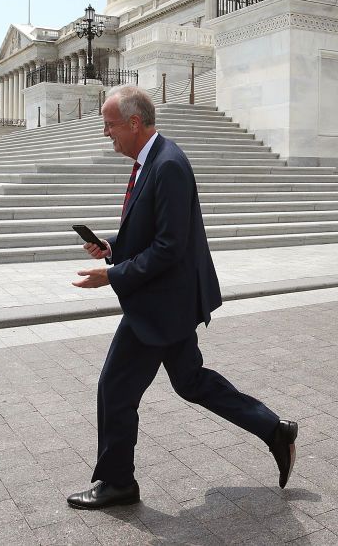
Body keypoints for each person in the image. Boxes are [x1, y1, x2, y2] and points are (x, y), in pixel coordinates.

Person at [67, 86, 298, 510]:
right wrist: (113, 247)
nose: (105, 132)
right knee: (191, 382)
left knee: (114, 389)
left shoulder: (168, 164)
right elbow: (154, 233)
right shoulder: (151, 161)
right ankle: (274, 430)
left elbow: (170, 246)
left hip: (159, 306)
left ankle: (117, 482)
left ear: (134, 123)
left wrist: (113, 275)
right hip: (166, 303)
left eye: (110, 124)